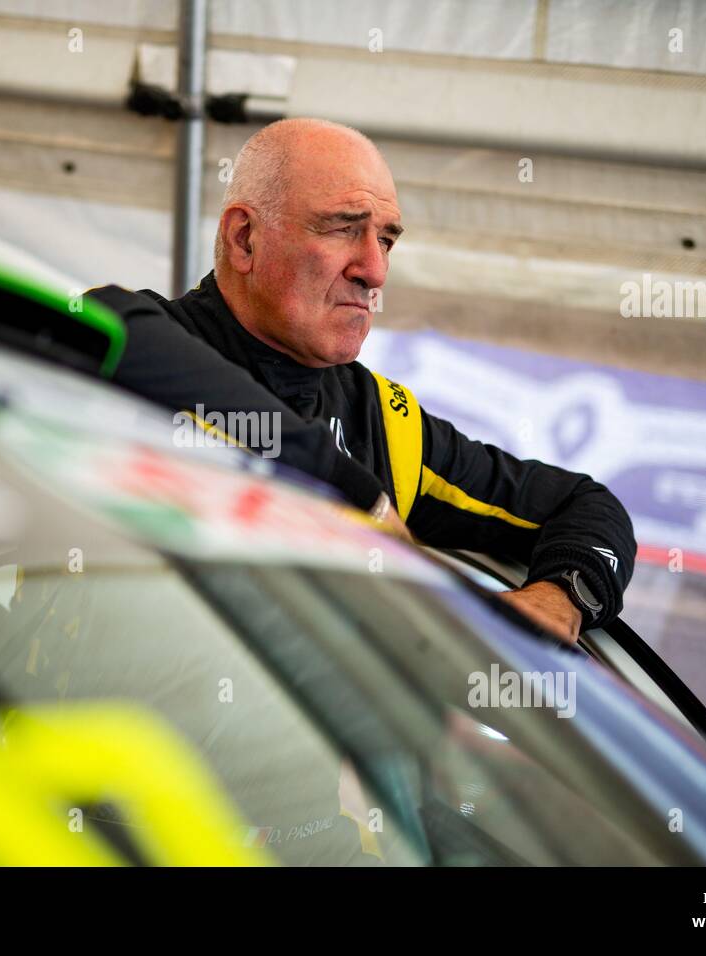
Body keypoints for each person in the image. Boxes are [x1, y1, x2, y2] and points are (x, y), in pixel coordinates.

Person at [88, 118, 634, 644]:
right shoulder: (131, 344)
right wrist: (360, 497)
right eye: (343, 228)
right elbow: (107, 324)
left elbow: (586, 505)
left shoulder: (386, 420)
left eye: (387, 240)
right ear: (245, 239)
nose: (373, 270)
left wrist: (561, 595)